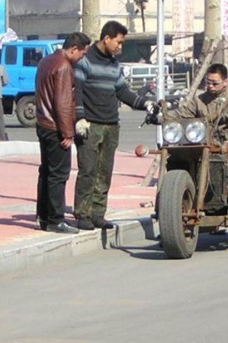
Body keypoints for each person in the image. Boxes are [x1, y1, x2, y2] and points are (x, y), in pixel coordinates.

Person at [73, 20, 156, 230]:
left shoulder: (114, 65)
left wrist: (143, 103)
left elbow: (122, 92)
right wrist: (79, 117)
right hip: (90, 125)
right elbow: (77, 90)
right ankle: (82, 214)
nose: (120, 47)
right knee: (88, 171)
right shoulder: (85, 60)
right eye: (118, 42)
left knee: (104, 172)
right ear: (106, 38)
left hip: (111, 125)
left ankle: (98, 214)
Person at [158, 63, 228, 198]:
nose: (210, 86)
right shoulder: (199, 101)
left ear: (225, 82)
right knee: (180, 155)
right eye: (208, 83)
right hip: (207, 140)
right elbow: (180, 113)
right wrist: (160, 117)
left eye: (215, 83)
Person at [36, 32, 91, 234]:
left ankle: (42, 215)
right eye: (82, 54)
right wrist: (68, 133)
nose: (82, 58)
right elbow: (63, 102)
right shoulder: (64, 66)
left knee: (46, 172)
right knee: (59, 175)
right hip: (56, 127)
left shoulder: (45, 62)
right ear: (74, 49)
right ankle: (55, 219)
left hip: (43, 124)